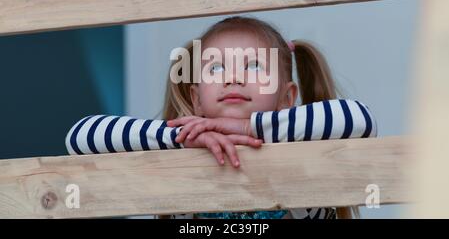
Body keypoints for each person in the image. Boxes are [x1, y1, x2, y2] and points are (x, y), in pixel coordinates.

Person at [66, 16, 377, 219]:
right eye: (215, 68)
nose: (233, 78)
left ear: (288, 98)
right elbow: (80, 137)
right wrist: (181, 135)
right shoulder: (176, 153)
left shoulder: (308, 149)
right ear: (195, 99)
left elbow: (359, 119)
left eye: (254, 66)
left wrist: (247, 127)